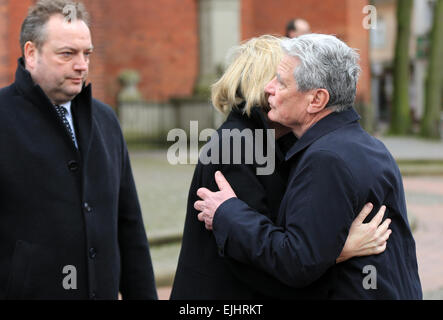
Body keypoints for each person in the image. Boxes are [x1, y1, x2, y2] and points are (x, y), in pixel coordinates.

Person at [195, 34, 423, 299]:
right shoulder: (367, 145)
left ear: (316, 100)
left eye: (281, 82)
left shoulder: (327, 159)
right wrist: (339, 249)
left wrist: (227, 213)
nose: (269, 88)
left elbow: (296, 261)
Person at [0, 0, 157, 300]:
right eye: (68, 54)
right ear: (31, 54)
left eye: (87, 54)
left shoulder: (106, 120)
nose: (82, 65)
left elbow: (130, 227)